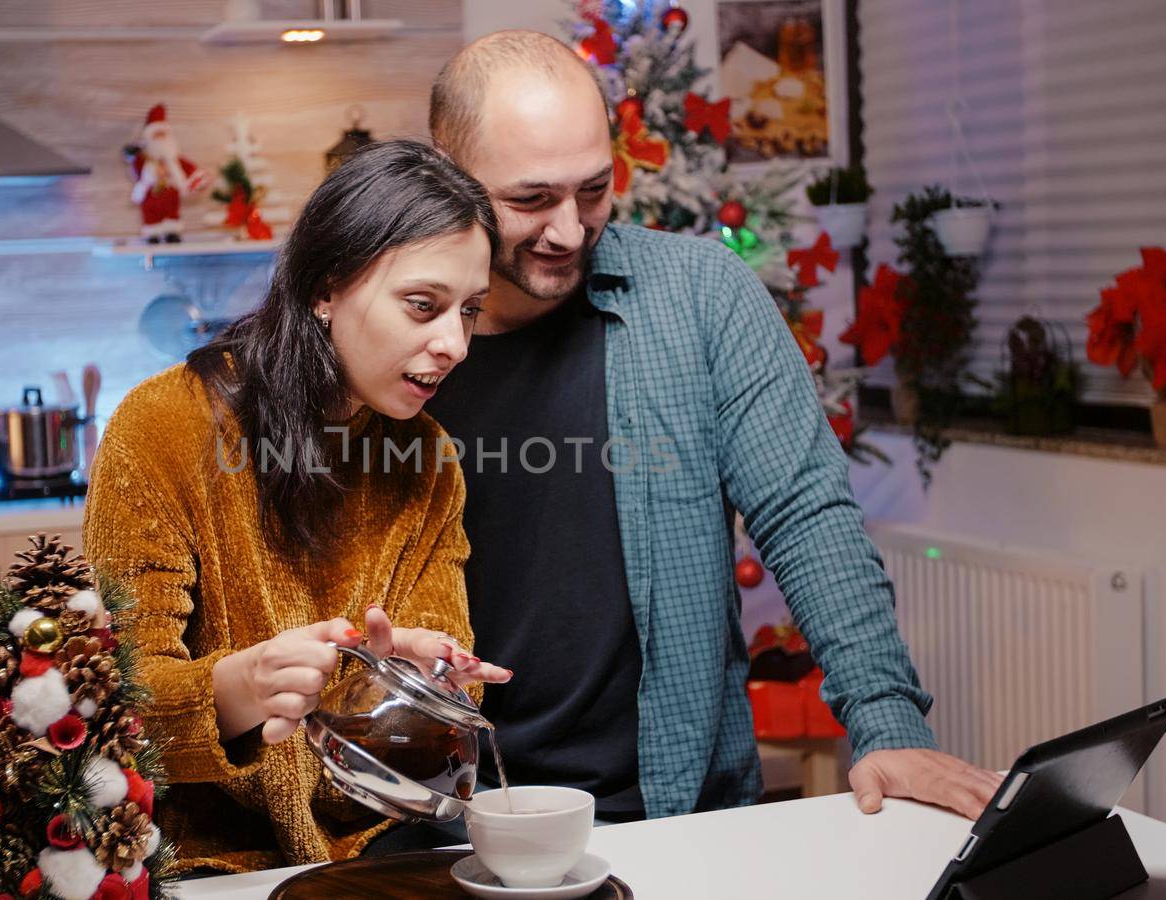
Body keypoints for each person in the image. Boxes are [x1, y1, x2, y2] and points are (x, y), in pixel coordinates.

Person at [420, 31, 1001, 827]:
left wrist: (886, 721)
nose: (567, 230)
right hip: (445, 821)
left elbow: (807, 516)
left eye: (593, 190)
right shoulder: (389, 336)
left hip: (674, 813)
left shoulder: (702, 295)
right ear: (445, 170)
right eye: (530, 201)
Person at [83, 139, 511, 875]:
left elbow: (440, 732)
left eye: (469, 312)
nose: (454, 344)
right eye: (423, 305)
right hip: (198, 858)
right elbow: (112, 707)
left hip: (377, 843)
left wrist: (407, 688)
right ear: (325, 288)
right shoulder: (163, 429)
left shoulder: (429, 460)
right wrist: (241, 689)